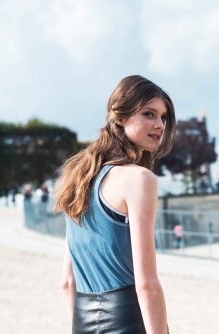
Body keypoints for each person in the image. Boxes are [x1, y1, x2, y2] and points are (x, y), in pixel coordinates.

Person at [55, 75, 175, 334]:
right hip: (130, 320)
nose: (159, 125)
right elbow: (147, 285)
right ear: (119, 117)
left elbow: (67, 282)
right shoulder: (139, 179)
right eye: (149, 114)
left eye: (163, 117)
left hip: (82, 321)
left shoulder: (77, 177)